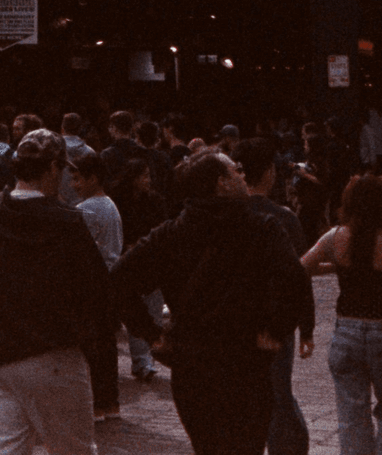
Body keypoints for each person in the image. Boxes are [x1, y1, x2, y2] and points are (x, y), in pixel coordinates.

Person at [111, 150, 310, 455]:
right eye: (236, 171)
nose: (243, 176)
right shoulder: (262, 228)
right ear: (222, 183)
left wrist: (152, 334)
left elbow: (117, 281)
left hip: (192, 362)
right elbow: (295, 280)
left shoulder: (172, 233)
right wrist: (276, 330)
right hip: (246, 358)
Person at [0, 128, 110, 455]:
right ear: (51, 169)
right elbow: (95, 288)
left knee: (1, 448)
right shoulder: (67, 221)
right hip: (53, 351)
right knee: (72, 448)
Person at [301, 174, 382, 455]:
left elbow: (302, 266)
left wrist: (337, 266)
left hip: (346, 333)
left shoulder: (336, 236)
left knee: (352, 417)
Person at [241, 138, 313, 455]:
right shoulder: (285, 218)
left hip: (235, 319)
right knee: (278, 392)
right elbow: (299, 279)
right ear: (269, 173)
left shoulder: (222, 215)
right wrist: (306, 328)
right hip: (275, 322)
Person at [71, 153, 125, 421]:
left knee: (90, 346)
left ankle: (94, 405)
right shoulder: (110, 205)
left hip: (92, 283)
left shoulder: (86, 210)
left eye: (78, 178)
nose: (73, 184)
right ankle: (109, 403)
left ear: (93, 178)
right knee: (106, 345)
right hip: (110, 281)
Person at [109, 159, 169, 381]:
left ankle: (144, 360)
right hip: (125, 261)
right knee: (131, 310)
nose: (148, 181)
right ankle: (141, 360)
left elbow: (161, 228)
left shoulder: (154, 201)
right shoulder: (118, 200)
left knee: (151, 309)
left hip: (149, 262)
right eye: (144, 176)